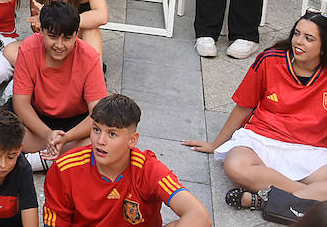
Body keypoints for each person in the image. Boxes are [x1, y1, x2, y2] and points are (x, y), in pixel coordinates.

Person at [183, 11, 327, 209]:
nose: (298, 42)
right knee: (236, 166)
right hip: (261, 140)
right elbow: (244, 106)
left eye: (309, 38)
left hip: (311, 150)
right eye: (296, 34)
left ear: (326, 46)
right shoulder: (270, 59)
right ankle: (309, 198)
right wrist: (216, 145)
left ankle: (271, 199)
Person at [43, 94, 211, 227]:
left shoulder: (147, 169)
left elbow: (200, 216)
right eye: (96, 129)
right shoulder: (65, 169)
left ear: (132, 140)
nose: (100, 140)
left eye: (112, 134)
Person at [9, 1, 108, 170]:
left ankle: (42, 158)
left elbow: (98, 113)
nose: (59, 45)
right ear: (42, 32)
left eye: (67, 38)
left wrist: (67, 137)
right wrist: (48, 135)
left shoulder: (90, 57)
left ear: (76, 34)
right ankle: (62, 155)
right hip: (37, 118)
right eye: (53, 36)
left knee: (105, 136)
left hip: (76, 123)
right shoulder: (27, 49)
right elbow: (21, 103)